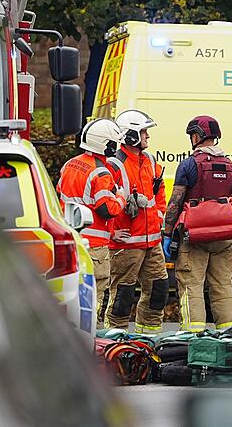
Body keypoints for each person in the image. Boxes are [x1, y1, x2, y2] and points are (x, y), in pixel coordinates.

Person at [162, 115, 232, 332]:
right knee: (223, 288)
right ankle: (230, 335)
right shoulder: (231, 167)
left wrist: (167, 234)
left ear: (196, 136)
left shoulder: (188, 165)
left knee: (191, 286)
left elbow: (175, 202)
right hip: (224, 238)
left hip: (193, 236)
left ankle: (193, 335)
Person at [57, 119, 127, 329]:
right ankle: (92, 333)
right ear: (106, 144)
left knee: (73, 291)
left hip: (71, 238)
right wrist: (121, 196)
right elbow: (106, 209)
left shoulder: (71, 164)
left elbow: (61, 194)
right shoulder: (101, 173)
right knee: (96, 292)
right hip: (94, 247)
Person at [103, 110, 168, 333]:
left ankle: (149, 338)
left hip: (152, 241)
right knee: (123, 296)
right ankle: (115, 341)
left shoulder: (149, 160)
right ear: (131, 135)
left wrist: (159, 215)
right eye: (143, 132)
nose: (148, 136)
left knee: (158, 290)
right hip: (126, 244)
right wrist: (112, 233)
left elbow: (159, 191)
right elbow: (102, 203)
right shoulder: (114, 165)